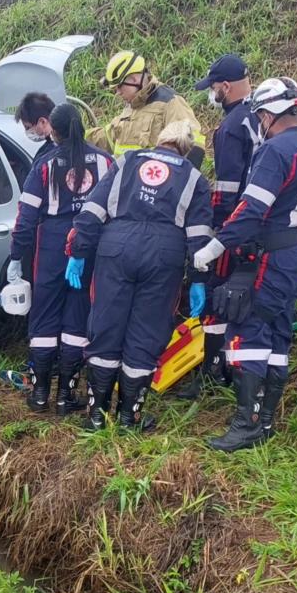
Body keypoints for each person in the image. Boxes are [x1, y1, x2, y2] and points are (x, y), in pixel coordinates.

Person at [193, 78, 297, 451]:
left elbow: (253, 208)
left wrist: (216, 246)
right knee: (278, 332)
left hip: (271, 255)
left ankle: (247, 425)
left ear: (268, 114)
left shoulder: (275, 151)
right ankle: (266, 421)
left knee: (249, 330)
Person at [67, 120, 213, 430]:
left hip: (116, 248)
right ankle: (129, 418)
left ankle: (96, 415)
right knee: (145, 333)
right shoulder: (194, 178)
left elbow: (93, 209)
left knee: (106, 326)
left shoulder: (127, 161)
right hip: (164, 256)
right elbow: (200, 237)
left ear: (159, 139)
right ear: (187, 150)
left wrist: (79, 252)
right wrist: (200, 279)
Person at [7, 103, 114, 415]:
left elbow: (25, 218)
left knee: (44, 316)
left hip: (52, 246)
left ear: (52, 130)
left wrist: (16, 256)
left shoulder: (44, 164)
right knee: (77, 317)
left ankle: (40, 394)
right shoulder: (106, 162)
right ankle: (67, 395)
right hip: (89, 245)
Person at [178, 54, 261, 398]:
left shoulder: (229, 128)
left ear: (225, 87)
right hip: (262, 222)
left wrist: (216, 234)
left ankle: (213, 372)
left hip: (236, 223)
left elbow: (227, 190)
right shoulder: (263, 117)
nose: (210, 94)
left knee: (214, 296)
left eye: (212, 88)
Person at [89, 51, 206, 169]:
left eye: (119, 86)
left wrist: (175, 182)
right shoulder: (131, 108)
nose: (117, 93)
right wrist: (77, 134)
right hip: (127, 184)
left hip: (154, 184)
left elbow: (194, 146)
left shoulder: (170, 103)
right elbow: (108, 137)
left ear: (134, 80)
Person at [15, 92, 57, 164]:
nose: (27, 132)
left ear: (42, 122)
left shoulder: (51, 155)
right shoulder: (50, 148)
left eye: (28, 127)